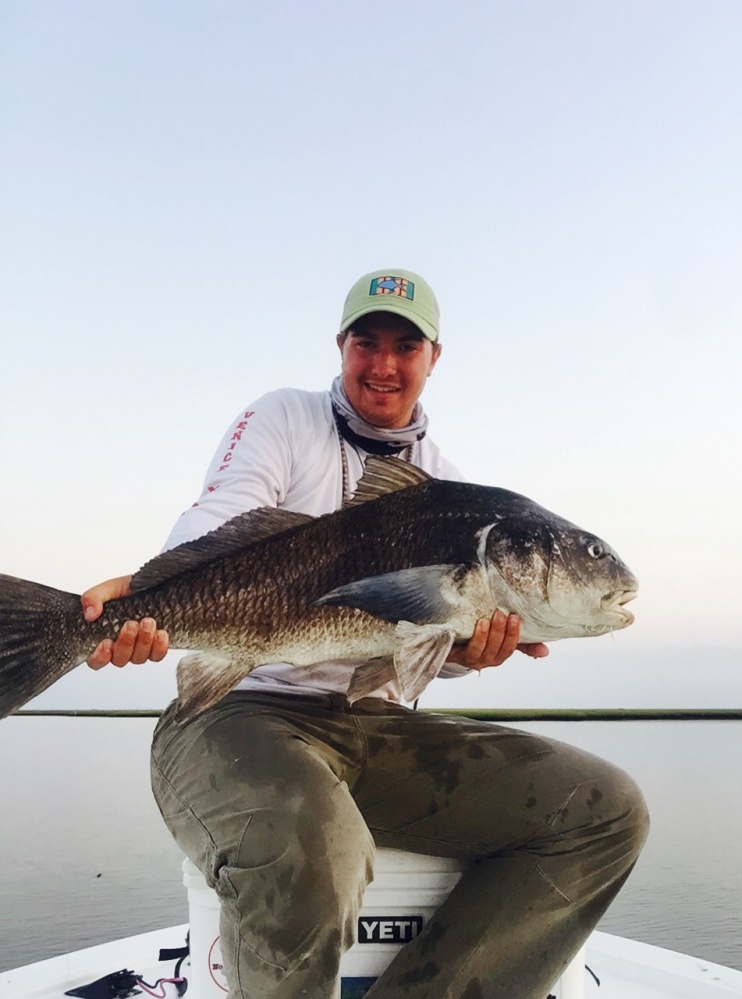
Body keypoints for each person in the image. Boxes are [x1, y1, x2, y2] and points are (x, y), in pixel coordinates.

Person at [83, 269, 649, 999]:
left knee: (604, 811)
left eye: (404, 346)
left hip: (369, 722)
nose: (383, 364)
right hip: (237, 712)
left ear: (432, 358)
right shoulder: (284, 418)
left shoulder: (444, 484)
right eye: (366, 342)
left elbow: (415, 645)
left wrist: (466, 656)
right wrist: (146, 592)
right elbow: (220, 519)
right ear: (341, 346)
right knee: (315, 850)